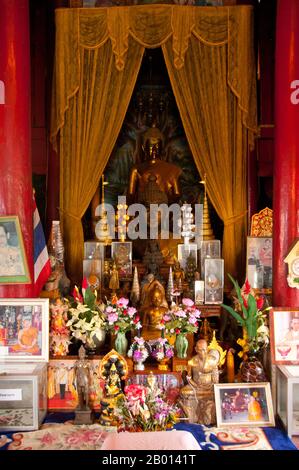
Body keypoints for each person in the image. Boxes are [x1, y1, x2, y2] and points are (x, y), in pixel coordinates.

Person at [179, 339, 220, 425]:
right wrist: (195, 385)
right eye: (200, 350)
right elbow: (189, 377)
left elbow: (215, 375)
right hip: (196, 387)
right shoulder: (191, 362)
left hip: (209, 386)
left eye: (204, 349)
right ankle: (190, 416)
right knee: (183, 391)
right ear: (196, 349)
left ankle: (209, 418)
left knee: (217, 392)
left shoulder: (212, 360)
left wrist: (214, 384)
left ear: (207, 349)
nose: (203, 352)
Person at [74, 345, 91, 410]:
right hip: (79, 379)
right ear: (78, 354)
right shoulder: (76, 363)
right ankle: (80, 405)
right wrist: (73, 380)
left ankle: (87, 405)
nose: (81, 354)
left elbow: (90, 372)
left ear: (85, 354)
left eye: (82, 353)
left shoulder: (87, 363)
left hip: (86, 379)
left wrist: (90, 380)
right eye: (80, 353)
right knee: (79, 393)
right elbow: (74, 372)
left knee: (86, 393)